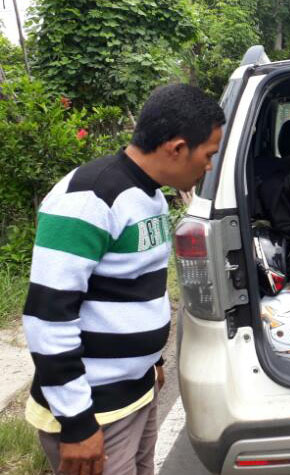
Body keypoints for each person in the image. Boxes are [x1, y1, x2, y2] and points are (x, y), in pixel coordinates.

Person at [22, 84, 224, 475]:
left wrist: (153, 361)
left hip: (136, 393)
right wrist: (78, 425)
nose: (209, 167)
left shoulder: (147, 195)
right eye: (208, 155)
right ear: (177, 148)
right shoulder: (89, 198)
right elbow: (47, 318)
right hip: (94, 410)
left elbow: (134, 288)